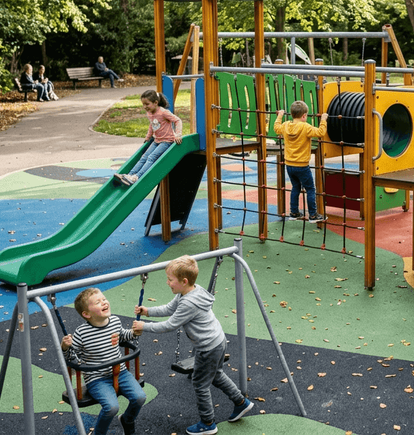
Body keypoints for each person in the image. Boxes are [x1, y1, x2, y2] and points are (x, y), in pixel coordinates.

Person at [133, 256, 253, 435]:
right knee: (216, 375)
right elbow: (169, 309)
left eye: (170, 280)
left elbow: (170, 325)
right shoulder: (191, 292)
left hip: (208, 347)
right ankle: (241, 402)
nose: (167, 283)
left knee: (200, 384)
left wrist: (145, 326)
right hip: (217, 341)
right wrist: (148, 311)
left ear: (184, 281)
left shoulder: (189, 302)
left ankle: (208, 423)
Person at [62, 288, 146, 435]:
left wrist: (133, 333)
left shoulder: (114, 321)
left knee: (140, 397)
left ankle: (127, 420)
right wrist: (65, 347)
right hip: (97, 378)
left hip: (120, 372)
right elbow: (72, 358)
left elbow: (122, 336)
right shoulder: (82, 333)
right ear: (87, 314)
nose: (104, 302)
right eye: (97, 302)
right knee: (112, 407)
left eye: (104, 299)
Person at [274, 100, 329, 222]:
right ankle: (313, 215)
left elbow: (276, 128)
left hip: (289, 165)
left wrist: (280, 115)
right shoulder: (305, 127)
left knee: (295, 187)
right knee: (310, 189)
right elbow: (321, 132)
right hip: (302, 166)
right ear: (304, 116)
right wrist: (324, 119)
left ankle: (293, 212)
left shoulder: (286, 125)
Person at [114, 90, 182, 187]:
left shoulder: (163, 112)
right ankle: (129, 175)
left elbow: (178, 120)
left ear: (155, 103)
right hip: (156, 140)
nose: (145, 106)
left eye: (147, 104)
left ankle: (137, 177)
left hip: (167, 141)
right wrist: (148, 136)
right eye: (143, 104)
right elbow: (152, 125)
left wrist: (178, 134)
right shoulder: (150, 113)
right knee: (144, 157)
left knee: (151, 157)